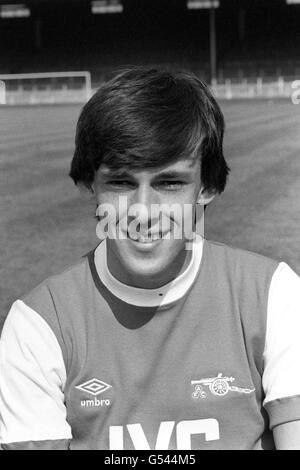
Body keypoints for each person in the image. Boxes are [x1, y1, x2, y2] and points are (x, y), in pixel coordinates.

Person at [1, 67, 300, 451]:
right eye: (122, 182)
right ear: (90, 183)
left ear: (206, 185)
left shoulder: (275, 298)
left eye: (169, 183)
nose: (143, 212)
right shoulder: (38, 326)